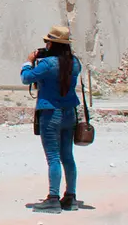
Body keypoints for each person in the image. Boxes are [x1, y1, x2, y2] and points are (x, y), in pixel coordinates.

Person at [21, 25, 83, 213]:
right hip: (69, 112)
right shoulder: (75, 63)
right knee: (67, 157)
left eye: (47, 42)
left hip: (51, 112)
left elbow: (26, 78)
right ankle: (70, 197)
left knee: (53, 158)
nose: (45, 45)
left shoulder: (47, 65)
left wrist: (28, 62)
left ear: (53, 44)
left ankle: (53, 198)